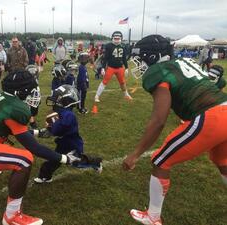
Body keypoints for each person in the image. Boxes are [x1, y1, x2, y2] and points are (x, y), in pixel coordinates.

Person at [0, 70, 80, 225]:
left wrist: (38, 132)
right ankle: (12, 217)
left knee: (1, 136)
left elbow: (15, 131)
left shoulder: (4, 98)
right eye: (31, 90)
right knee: (24, 160)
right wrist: (65, 158)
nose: (34, 94)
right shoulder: (16, 109)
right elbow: (34, 148)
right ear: (21, 91)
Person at [122, 35, 227, 225]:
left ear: (152, 57)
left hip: (210, 116)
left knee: (161, 160)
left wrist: (135, 154)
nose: (138, 64)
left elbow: (159, 120)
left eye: (140, 58)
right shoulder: (183, 60)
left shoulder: (158, 72)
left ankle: (153, 217)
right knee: (223, 162)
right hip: (224, 108)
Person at [34, 85, 102, 183]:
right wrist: (41, 130)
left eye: (58, 99)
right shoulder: (63, 112)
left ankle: (96, 162)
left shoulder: (69, 116)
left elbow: (57, 130)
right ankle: (45, 176)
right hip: (63, 143)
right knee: (54, 160)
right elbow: (53, 130)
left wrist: (50, 126)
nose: (54, 101)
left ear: (66, 102)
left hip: (72, 145)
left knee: (76, 163)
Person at [94, 31, 132, 103]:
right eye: (115, 38)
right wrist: (103, 68)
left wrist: (126, 67)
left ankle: (126, 94)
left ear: (121, 38)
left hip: (120, 68)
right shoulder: (109, 46)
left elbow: (124, 58)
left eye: (118, 38)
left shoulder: (123, 46)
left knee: (122, 82)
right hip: (111, 68)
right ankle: (97, 96)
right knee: (104, 82)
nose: (117, 40)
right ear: (112, 38)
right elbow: (105, 58)